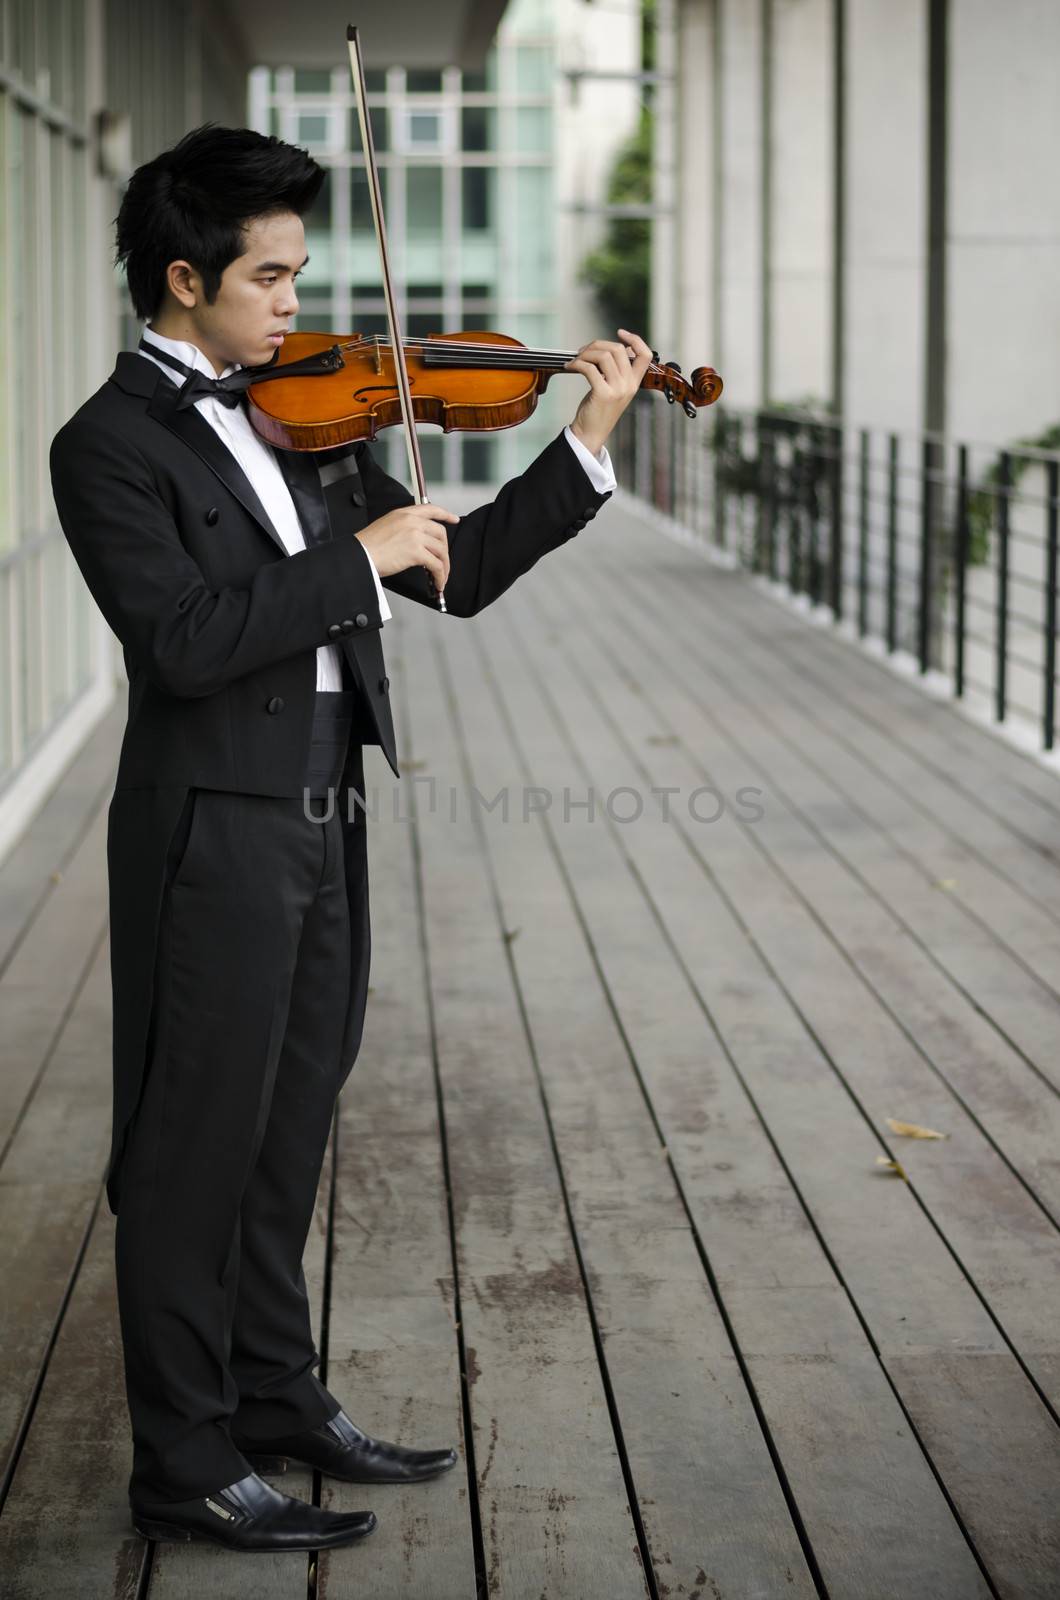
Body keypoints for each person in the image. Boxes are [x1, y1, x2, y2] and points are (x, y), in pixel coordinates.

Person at [49, 123, 651, 1555]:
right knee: (195, 1139)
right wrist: (353, 559)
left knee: (291, 1114)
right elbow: (184, 644)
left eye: (306, 279)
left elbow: (465, 571)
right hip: (214, 827)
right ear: (184, 278)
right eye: (271, 281)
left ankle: (273, 1397)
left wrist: (587, 438)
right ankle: (184, 1460)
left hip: (327, 797)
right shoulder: (108, 445)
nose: (297, 311)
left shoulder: (304, 422)